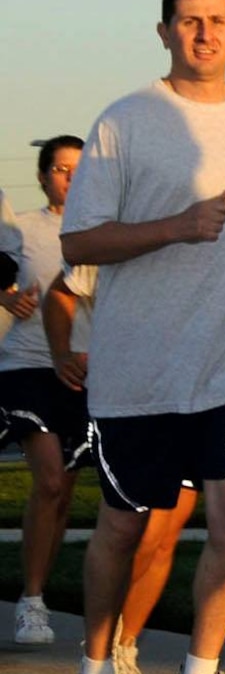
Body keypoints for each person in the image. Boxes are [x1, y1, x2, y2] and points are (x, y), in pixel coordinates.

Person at [61, 0, 225, 674]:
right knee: (123, 528)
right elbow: (79, 243)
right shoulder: (126, 122)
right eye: (188, 22)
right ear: (163, 32)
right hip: (138, 371)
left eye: (217, 21)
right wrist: (177, 227)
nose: (204, 34)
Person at [2, 136, 89, 645]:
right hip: (26, 367)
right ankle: (30, 600)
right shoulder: (23, 230)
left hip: (82, 373)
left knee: (65, 491)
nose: (70, 178)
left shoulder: (103, 236)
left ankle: (40, 592)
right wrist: (6, 296)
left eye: (80, 169)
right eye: (60, 168)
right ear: (42, 176)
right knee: (50, 481)